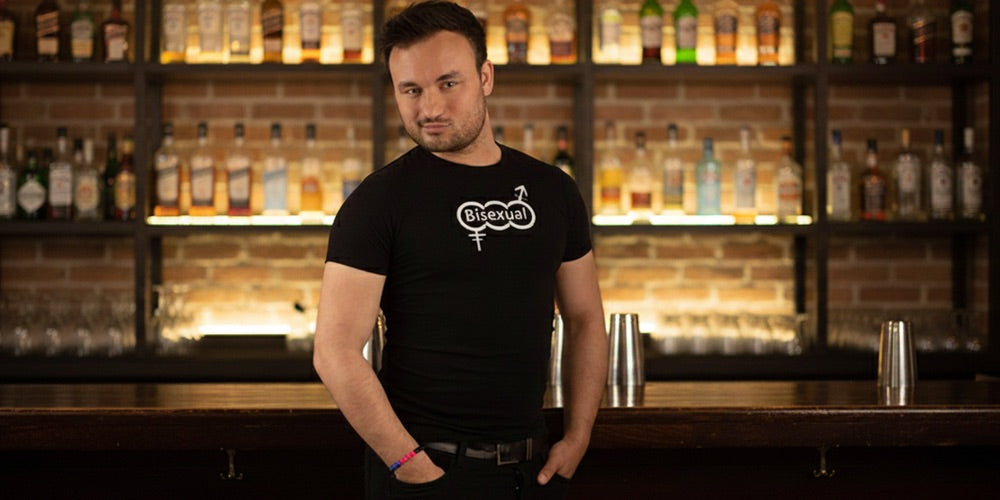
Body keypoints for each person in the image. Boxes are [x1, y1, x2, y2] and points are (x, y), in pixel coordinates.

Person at [313, 2, 608, 498]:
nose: (429, 108)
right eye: (411, 90)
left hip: (533, 470)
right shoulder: (378, 201)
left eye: (448, 83)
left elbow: (585, 319)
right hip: (425, 471)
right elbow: (334, 350)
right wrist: (408, 464)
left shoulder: (553, 191)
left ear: (485, 77)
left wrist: (578, 436)